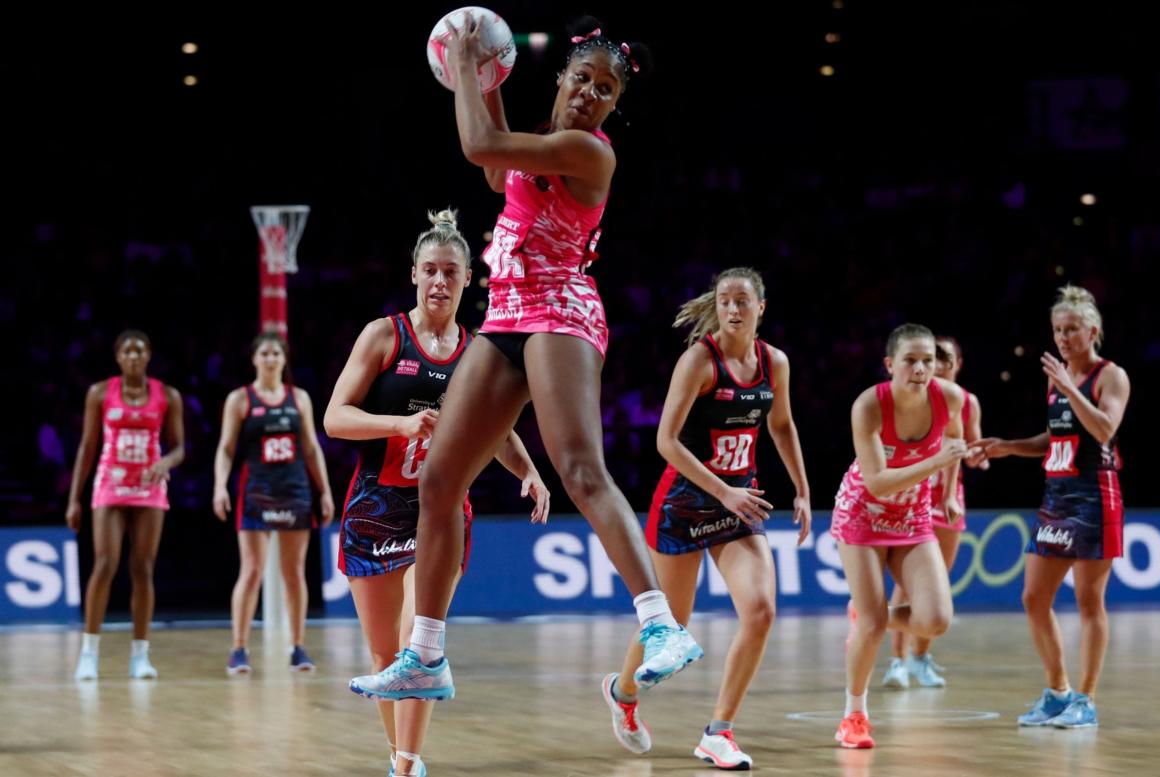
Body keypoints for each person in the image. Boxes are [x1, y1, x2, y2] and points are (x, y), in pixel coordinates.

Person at [350, 16, 702, 708]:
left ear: (612, 107)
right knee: (441, 478)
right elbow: (493, 168)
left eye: (605, 91)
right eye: (581, 80)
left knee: (578, 467)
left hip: (561, 309)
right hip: (507, 312)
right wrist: (488, 80)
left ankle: (661, 625)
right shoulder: (540, 141)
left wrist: (459, 60)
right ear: (562, 79)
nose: (590, 95)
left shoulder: (588, 152)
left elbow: (477, 143)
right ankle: (424, 654)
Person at [327, 210, 550, 777]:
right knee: (384, 656)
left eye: (451, 272)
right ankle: (401, 757)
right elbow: (335, 418)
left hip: (441, 513)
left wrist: (528, 469)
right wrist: (399, 425)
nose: (439, 282)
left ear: (469, 279)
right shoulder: (383, 335)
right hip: (373, 507)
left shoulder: (480, 352)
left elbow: (496, 428)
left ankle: (407, 767)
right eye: (430, 270)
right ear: (414, 275)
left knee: (414, 645)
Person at [602, 268, 812, 770]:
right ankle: (622, 693)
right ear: (715, 307)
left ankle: (719, 731)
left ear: (762, 306)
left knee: (761, 612)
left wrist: (802, 490)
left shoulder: (773, 363)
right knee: (671, 626)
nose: (733, 309)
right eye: (725, 300)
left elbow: (781, 425)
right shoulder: (699, 361)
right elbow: (665, 441)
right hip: (683, 506)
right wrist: (724, 492)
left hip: (739, 506)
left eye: (743, 300)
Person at [973, 285, 1129, 729]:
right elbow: (1055, 438)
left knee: (1088, 602)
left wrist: (1068, 387)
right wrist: (1008, 446)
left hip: (1096, 493)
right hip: (1056, 497)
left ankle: (1088, 698)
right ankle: (1058, 693)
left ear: (1092, 330)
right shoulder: (1056, 378)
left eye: (1072, 329)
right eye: (1057, 330)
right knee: (1034, 597)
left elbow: (1103, 430)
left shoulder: (1109, 376)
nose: (1062, 337)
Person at [829, 323, 969, 748]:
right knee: (873, 626)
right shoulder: (869, 405)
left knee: (936, 620)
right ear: (890, 365)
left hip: (913, 516)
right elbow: (877, 483)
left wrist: (946, 494)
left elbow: (956, 448)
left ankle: (867, 614)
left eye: (928, 360)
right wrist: (935, 467)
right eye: (910, 360)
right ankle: (853, 716)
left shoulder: (950, 398)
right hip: (863, 513)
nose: (921, 369)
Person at [212, 333, 335, 674]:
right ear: (254, 359)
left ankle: (298, 647)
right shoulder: (241, 399)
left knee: (294, 573)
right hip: (255, 492)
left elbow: (311, 448)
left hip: (295, 491)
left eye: (276, 353)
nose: (270, 358)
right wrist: (220, 486)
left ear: (284, 359)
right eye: (264, 353)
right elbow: (225, 448)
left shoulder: (300, 399)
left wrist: (324, 491)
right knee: (251, 571)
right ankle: (239, 649)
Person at [65, 330, 185, 680]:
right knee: (105, 563)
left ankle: (140, 655)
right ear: (118, 357)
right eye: (127, 351)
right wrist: (74, 498)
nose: (134, 356)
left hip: (149, 485)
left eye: (140, 351)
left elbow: (179, 447)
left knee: (143, 569)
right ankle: (88, 653)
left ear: (148, 356)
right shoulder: (100, 392)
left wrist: (166, 463)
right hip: (111, 482)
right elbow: (87, 448)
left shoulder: (168, 395)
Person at [882, 336, 985, 689]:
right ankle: (896, 662)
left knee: (939, 583)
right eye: (935, 359)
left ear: (958, 363)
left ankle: (920, 658)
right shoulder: (914, 397)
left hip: (949, 500)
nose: (941, 365)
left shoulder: (966, 402)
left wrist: (978, 456)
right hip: (915, 499)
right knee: (906, 585)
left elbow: (968, 443)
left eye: (947, 359)